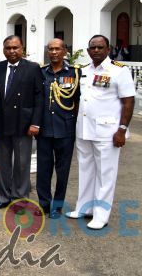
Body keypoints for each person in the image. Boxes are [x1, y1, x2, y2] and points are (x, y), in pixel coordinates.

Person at [66, 35, 135, 230]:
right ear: (88, 51)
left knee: (105, 174)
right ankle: (84, 208)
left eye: (100, 47)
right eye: (93, 47)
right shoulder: (83, 70)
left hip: (108, 132)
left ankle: (101, 215)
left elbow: (128, 101)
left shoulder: (119, 70)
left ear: (108, 49)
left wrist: (122, 130)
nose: (96, 50)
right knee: (85, 170)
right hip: (84, 129)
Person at [0, 35, 43, 212]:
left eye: (15, 48)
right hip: (1, 122)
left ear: (22, 48)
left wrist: (35, 123)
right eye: (8, 48)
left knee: (21, 163)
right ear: (3, 50)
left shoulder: (32, 68)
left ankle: (20, 199)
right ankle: (3, 196)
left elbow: (39, 97)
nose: (12, 51)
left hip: (23, 123)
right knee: (2, 163)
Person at [37, 38, 80, 219]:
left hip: (65, 130)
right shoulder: (41, 72)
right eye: (51, 49)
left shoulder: (74, 73)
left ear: (64, 51)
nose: (54, 52)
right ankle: (44, 205)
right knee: (43, 170)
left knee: (62, 171)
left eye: (57, 49)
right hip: (44, 129)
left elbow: (78, 101)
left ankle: (57, 206)